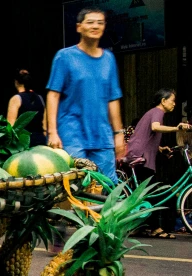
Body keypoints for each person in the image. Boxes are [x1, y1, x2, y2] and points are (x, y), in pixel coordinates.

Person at [46, 8, 124, 183]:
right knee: (76, 185)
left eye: (100, 22)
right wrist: (52, 132)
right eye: (90, 22)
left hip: (102, 136)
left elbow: (113, 99)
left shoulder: (108, 59)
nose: (95, 26)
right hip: (71, 134)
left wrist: (119, 133)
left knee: (107, 185)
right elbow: (53, 95)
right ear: (79, 27)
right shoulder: (64, 57)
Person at [123, 89, 191, 238]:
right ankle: (155, 228)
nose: (174, 103)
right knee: (154, 194)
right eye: (172, 100)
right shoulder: (157, 112)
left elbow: (146, 136)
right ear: (163, 101)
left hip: (139, 155)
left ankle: (141, 226)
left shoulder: (152, 113)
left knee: (147, 194)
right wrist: (176, 128)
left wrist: (161, 149)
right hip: (140, 158)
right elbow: (154, 127)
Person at [6, 69, 47, 147]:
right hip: (40, 141)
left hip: (23, 143)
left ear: (16, 82)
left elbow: (11, 126)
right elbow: (45, 126)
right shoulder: (40, 98)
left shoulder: (16, 99)